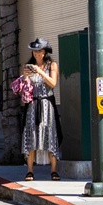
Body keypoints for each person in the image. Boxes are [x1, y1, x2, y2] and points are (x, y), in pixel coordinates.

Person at [21, 38, 61, 181]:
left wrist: (40, 72)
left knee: (50, 133)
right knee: (31, 134)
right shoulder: (28, 66)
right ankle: (30, 170)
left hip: (47, 104)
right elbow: (24, 89)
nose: (37, 53)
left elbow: (53, 83)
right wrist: (25, 76)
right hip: (33, 104)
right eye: (35, 51)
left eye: (39, 50)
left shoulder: (52, 65)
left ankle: (54, 170)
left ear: (45, 52)